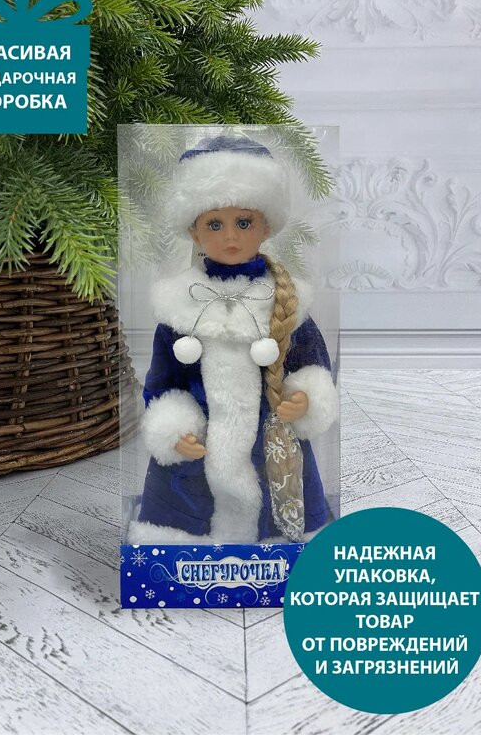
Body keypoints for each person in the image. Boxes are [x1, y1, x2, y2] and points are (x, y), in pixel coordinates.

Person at [129, 135, 338, 545]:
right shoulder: (178, 307)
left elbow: (313, 365)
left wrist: (305, 398)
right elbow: (161, 382)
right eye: (214, 224)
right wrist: (174, 428)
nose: (230, 236)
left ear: (265, 227)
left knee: (280, 502)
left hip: (269, 442)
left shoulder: (286, 301)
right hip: (199, 449)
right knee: (185, 510)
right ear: (194, 232)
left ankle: (278, 543)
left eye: (244, 222)